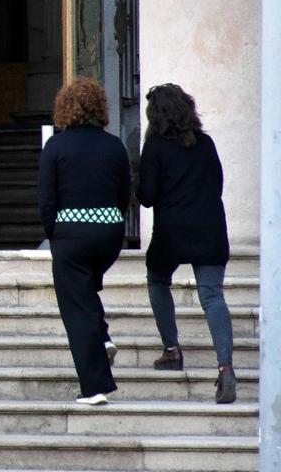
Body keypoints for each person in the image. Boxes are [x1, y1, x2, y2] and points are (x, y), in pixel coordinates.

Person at [138, 83, 236, 404]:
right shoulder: (205, 143)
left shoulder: (154, 147)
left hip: (172, 231)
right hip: (210, 228)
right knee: (212, 296)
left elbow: (147, 197)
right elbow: (218, 184)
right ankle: (225, 368)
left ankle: (172, 350)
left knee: (157, 280)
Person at [37, 77, 131, 405]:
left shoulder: (56, 147)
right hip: (109, 233)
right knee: (84, 291)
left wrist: (54, 234)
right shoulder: (114, 144)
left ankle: (95, 388)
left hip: (71, 235)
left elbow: (47, 200)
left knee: (75, 307)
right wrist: (110, 225)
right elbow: (124, 194)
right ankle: (102, 337)